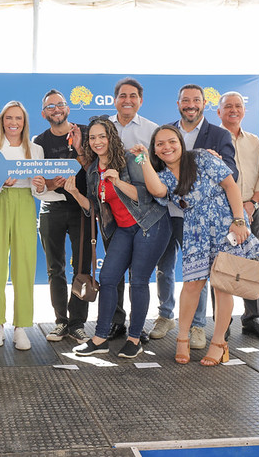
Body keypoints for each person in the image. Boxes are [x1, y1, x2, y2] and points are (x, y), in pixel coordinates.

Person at [133, 125, 259, 365]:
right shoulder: (164, 175)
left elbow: (230, 185)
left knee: (222, 286)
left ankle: (219, 342)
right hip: (195, 230)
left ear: (181, 143)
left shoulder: (201, 158)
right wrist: (143, 159)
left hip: (226, 225)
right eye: (160, 144)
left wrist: (239, 221)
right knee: (192, 285)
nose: (167, 147)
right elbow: (157, 190)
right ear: (155, 150)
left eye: (172, 141)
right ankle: (182, 338)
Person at [65, 118, 170, 359]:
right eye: (93, 138)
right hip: (123, 228)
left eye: (102, 136)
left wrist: (118, 182)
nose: (97, 142)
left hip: (149, 224)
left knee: (138, 280)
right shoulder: (93, 170)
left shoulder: (130, 159)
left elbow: (148, 196)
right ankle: (100, 338)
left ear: (111, 137)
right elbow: (94, 208)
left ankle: (134, 339)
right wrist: (75, 194)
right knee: (108, 278)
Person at [153, 84, 238, 351]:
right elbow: (157, 179)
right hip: (173, 214)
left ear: (204, 103)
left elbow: (230, 175)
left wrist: (239, 219)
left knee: (217, 283)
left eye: (196, 100)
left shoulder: (218, 135)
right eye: (185, 100)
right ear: (178, 103)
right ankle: (167, 318)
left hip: (215, 221)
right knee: (174, 272)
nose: (191, 104)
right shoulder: (166, 132)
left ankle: (200, 329)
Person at [0, 101, 46, 351]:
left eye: (18, 118)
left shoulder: (36, 149)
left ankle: (21, 326)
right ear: (2, 120)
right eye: (9, 117)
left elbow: (38, 189)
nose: (13, 122)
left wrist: (40, 185)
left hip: (24, 203)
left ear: (24, 122)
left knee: (24, 263)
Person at [216, 91, 259, 342]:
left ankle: (252, 320)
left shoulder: (253, 140)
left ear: (244, 110)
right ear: (219, 112)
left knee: (253, 263)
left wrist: (252, 203)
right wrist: (236, 209)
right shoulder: (214, 138)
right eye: (228, 106)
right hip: (224, 213)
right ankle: (223, 323)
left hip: (252, 210)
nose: (234, 110)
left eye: (238, 106)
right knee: (223, 267)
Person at [33, 89, 90, 344]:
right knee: (55, 268)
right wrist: (50, 184)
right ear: (43, 113)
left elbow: (94, 169)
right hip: (52, 208)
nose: (56, 109)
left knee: (82, 268)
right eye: (50, 106)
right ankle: (61, 322)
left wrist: (79, 148)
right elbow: (37, 183)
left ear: (67, 108)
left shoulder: (84, 133)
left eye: (60, 104)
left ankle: (78, 323)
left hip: (81, 208)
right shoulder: (39, 142)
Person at [107, 77, 159, 342]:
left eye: (133, 96)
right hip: (111, 211)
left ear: (140, 100)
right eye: (122, 96)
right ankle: (116, 322)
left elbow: (159, 167)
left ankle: (137, 326)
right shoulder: (104, 127)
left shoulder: (152, 130)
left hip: (143, 213)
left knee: (139, 275)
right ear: (115, 99)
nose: (127, 100)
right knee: (113, 272)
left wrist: (140, 156)